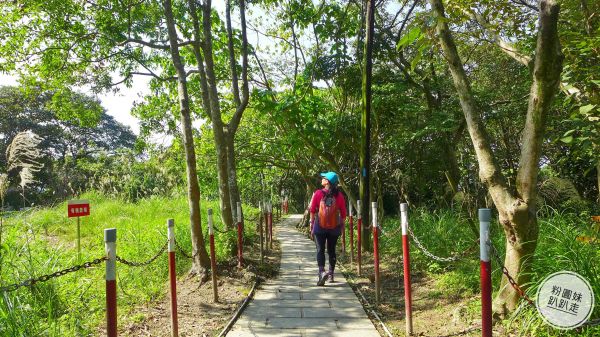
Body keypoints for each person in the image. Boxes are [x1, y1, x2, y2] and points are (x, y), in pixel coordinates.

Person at [309, 171, 347, 286]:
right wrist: (341, 226)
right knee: (331, 250)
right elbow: (344, 214)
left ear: (327, 182)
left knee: (320, 250)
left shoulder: (318, 193)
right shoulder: (339, 195)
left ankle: (321, 272)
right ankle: (331, 274)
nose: (322, 179)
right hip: (334, 227)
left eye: (324, 177)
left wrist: (311, 223)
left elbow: (312, 210)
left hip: (319, 226)